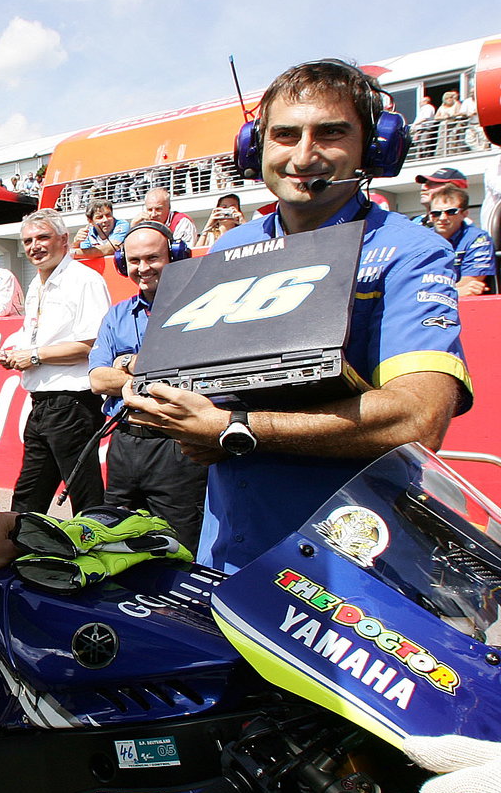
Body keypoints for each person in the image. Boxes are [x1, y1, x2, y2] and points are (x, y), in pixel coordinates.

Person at [123, 59, 472, 573]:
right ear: (255, 147)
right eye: (284, 135)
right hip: (230, 550)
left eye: (330, 133)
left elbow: (418, 416)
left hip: (352, 562)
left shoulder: (410, 249)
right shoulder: (231, 246)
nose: (303, 155)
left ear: (374, 146)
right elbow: (207, 393)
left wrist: (233, 429)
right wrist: (160, 394)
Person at [87, 222, 208, 548]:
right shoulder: (116, 315)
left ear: (175, 255)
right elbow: (98, 379)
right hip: (124, 444)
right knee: (111, 541)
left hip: (178, 447)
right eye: (135, 260)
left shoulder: (203, 307)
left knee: (180, 547)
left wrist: (126, 363)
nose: (143, 268)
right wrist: (145, 367)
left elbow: (194, 376)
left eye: (153, 258)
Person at [0, 209, 111, 513]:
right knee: (28, 496)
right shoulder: (37, 284)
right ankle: (20, 552)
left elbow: (93, 344)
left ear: (64, 240)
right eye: (28, 240)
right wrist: (12, 352)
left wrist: (34, 355)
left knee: (85, 497)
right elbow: (33, 334)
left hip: (74, 403)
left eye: (43, 237)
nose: (35, 246)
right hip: (42, 402)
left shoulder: (84, 280)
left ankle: (96, 553)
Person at [425, 183, 496, 297]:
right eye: (436, 213)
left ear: (465, 214)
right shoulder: (420, 240)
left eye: (451, 212)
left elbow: (470, 283)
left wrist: (429, 294)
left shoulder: (478, 239)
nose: (442, 218)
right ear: (430, 215)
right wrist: (456, 292)